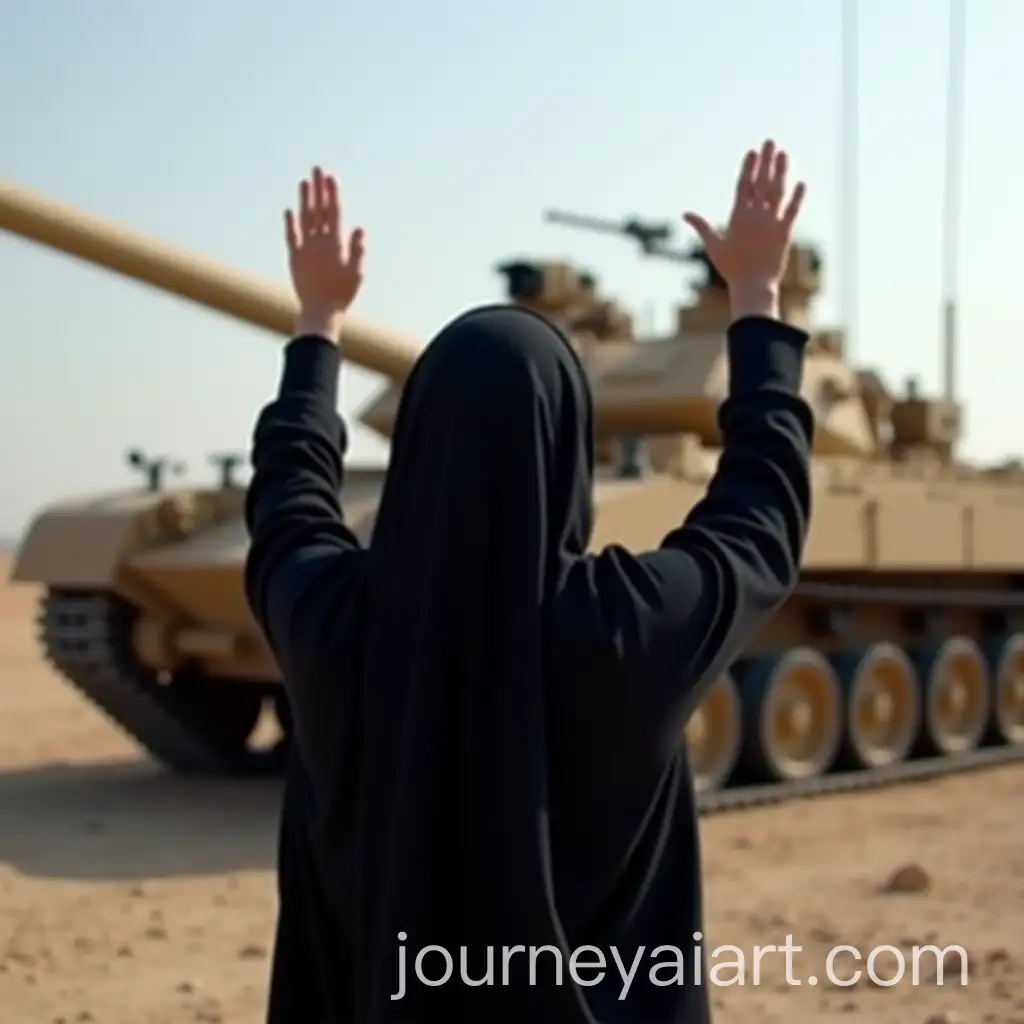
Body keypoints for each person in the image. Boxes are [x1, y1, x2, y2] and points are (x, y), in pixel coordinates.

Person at [244, 139, 813, 1023]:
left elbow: (288, 493)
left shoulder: (330, 618)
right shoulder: (628, 627)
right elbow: (761, 515)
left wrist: (318, 323)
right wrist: (757, 303)